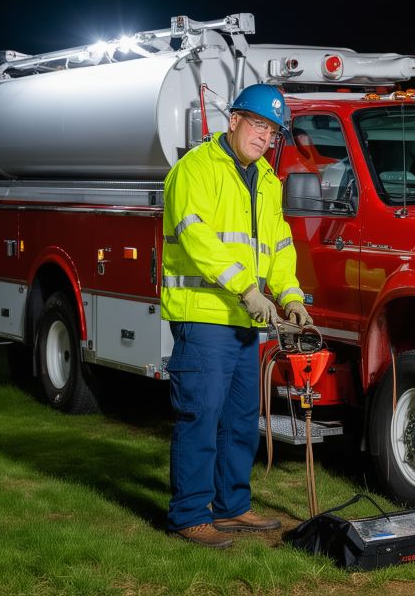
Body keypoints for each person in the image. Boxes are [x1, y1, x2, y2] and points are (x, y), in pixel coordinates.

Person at [161, 84, 314, 549]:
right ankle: (189, 513)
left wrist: (290, 296)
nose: (264, 136)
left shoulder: (267, 181)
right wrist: (247, 289)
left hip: (247, 320)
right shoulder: (196, 168)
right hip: (204, 314)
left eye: (272, 130)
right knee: (201, 416)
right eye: (258, 124)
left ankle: (232, 507)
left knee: (242, 419)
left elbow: (279, 246)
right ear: (234, 121)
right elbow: (197, 237)